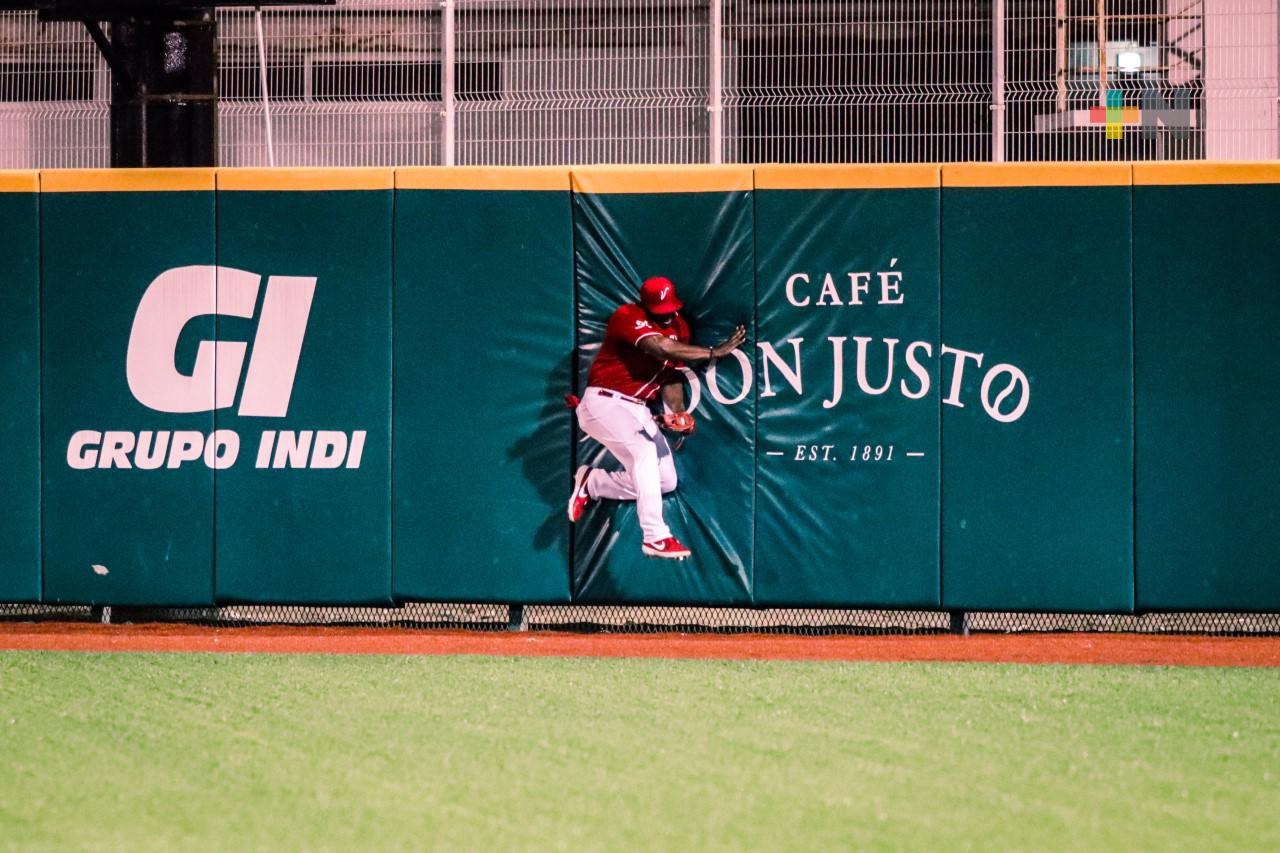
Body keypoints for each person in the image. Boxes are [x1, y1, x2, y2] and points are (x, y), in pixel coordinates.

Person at [567, 276, 747, 559]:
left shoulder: (680, 328)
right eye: (658, 313)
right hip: (603, 401)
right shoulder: (627, 316)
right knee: (645, 451)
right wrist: (714, 352)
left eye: (669, 311)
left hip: (638, 408)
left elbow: (671, 374)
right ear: (646, 306)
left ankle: (593, 482)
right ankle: (655, 536)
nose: (665, 317)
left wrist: (676, 413)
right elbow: (660, 347)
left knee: (665, 480)